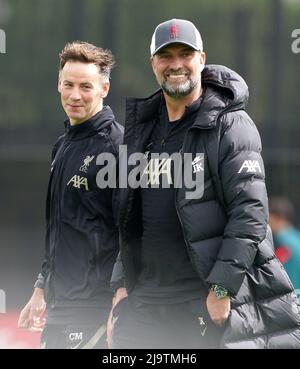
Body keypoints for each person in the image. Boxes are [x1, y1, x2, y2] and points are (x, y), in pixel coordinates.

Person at [107, 19, 300, 349]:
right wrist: (120, 285)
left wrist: (222, 288)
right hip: (144, 304)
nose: (176, 64)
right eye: (166, 56)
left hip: (201, 304)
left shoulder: (231, 125)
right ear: (153, 63)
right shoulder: (142, 132)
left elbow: (250, 216)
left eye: (185, 53)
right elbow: (129, 218)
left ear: (201, 59)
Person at [18, 41, 123, 349]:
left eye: (86, 86)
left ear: (104, 89)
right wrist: (40, 289)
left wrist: (119, 305)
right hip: (58, 308)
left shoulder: (119, 149)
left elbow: (132, 235)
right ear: (58, 85)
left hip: (95, 309)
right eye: (69, 85)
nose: (75, 95)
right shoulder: (62, 146)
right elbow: (60, 229)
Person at [269, 196, 300, 291]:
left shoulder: (283, 241)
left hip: (293, 296)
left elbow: (276, 271)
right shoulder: (296, 236)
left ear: (276, 217)